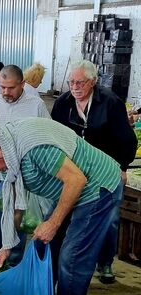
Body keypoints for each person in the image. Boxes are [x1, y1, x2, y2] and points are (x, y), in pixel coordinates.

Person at [0, 118, 123, 295]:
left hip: (97, 187)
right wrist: (7, 246)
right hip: (71, 190)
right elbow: (15, 201)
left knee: (72, 258)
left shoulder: (34, 148)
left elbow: (76, 179)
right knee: (43, 246)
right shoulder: (10, 150)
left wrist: (53, 223)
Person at [51, 60, 137, 283]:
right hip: (74, 170)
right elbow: (55, 136)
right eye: (71, 82)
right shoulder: (63, 104)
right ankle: (60, 261)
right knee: (67, 214)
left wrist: (122, 167)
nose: (75, 87)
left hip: (105, 170)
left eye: (81, 82)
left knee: (109, 219)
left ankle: (105, 262)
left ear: (93, 82)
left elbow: (127, 140)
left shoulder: (110, 102)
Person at [0, 65, 51, 262]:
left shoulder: (36, 105)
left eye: (10, 88)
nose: (5, 92)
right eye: (2, 87)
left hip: (23, 178)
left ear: (22, 84)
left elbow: (46, 137)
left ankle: (13, 263)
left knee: (17, 223)